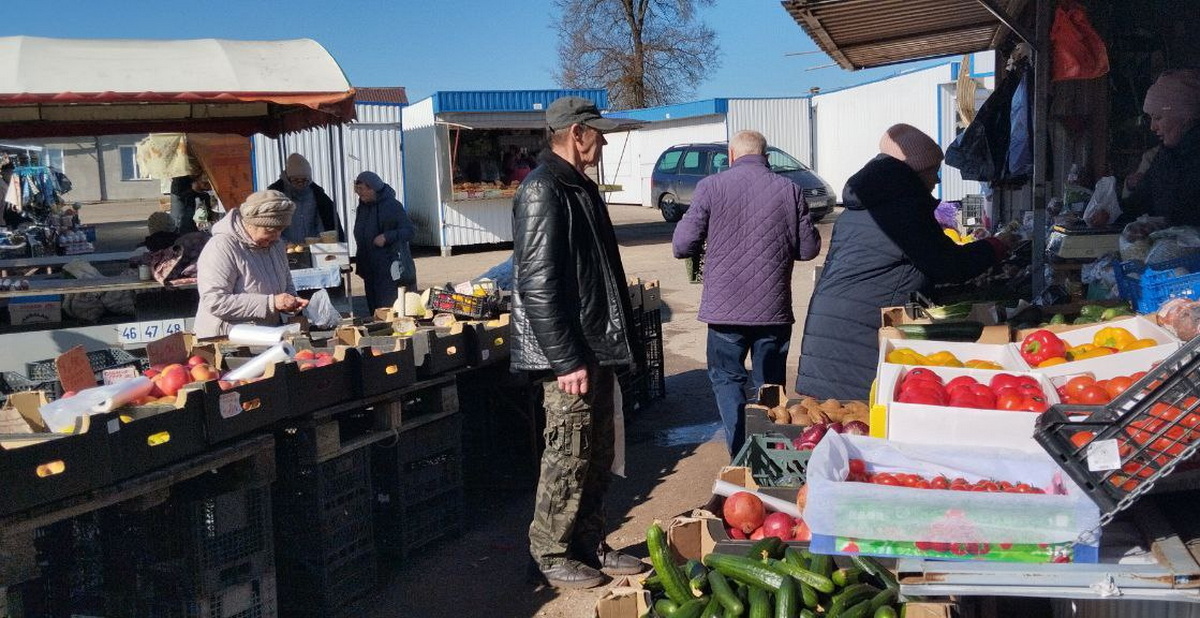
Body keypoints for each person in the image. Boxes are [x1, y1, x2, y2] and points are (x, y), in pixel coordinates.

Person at [511, 96, 645, 589]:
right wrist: (565, 358)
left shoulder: (577, 186)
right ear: (576, 133)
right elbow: (538, 285)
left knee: (596, 455)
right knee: (567, 455)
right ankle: (548, 554)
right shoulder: (543, 190)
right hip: (570, 356)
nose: (604, 140)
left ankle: (588, 543)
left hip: (595, 348)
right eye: (598, 132)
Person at [796, 124, 1013, 401]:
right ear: (916, 171)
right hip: (859, 331)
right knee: (862, 419)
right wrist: (996, 246)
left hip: (832, 322)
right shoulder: (902, 210)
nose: (936, 179)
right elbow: (948, 265)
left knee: (838, 418)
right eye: (933, 170)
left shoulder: (862, 206)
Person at [672, 130, 822, 455]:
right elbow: (809, 249)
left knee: (727, 381)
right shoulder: (790, 190)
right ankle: (771, 455)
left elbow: (682, 245)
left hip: (724, 311)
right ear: (765, 156)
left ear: (731, 155)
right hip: (773, 310)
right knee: (769, 386)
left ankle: (741, 455)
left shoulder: (710, 187)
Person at [194, 189, 308, 338]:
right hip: (226, 339)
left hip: (265, 336)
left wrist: (291, 302)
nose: (276, 237)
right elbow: (215, 301)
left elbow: (286, 284)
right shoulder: (222, 246)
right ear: (252, 224)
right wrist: (271, 303)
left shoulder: (276, 244)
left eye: (281, 230)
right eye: (271, 230)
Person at [1119, 69, 1200, 227]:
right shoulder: (1166, 156)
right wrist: (1109, 212)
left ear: (1185, 117)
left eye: (1158, 118)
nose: (1152, 127)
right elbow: (1141, 202)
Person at [352, 171, 415, 312]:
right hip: (369, 268)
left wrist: (387, 236)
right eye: (357, 189)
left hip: (389, 269)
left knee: (388, 309)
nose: (358, 193)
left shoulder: (392, 206)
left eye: (361, 189)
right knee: (374, 311)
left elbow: (410, 231)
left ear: (372, 188)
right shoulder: (362, 207)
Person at [268, 153, 343, 244]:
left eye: (304, 180)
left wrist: (320, 241)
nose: (300, 184)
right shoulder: (276, 197)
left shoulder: (318, 197)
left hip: (314, 249)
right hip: (283, 249)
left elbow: (323, 225)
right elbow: (270, 225)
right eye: (295, 180)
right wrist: (283, 243)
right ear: (287, 179)